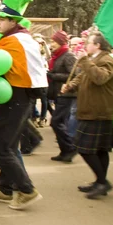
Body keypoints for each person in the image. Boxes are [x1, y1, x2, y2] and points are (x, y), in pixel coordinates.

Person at [0, 0, 47, 210]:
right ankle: (6, 189)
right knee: (9, 145)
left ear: (13, 21)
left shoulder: (11, 41)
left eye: (2, 19)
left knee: (1, 148)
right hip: (23, 96)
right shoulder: (24, 38)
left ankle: (27, 190)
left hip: (15, 96)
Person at [61, 32, 113, 199]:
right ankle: (100, 181)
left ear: (98, 45)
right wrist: (70, 85)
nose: (86, 45)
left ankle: (102, 182)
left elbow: (99, 78)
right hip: (91, 110)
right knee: (100, 150)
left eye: (89, 42)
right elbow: (83, 76)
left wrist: (84, 60)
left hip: (98, 112)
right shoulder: (94, 59)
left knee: (85, 148)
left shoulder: (107, 60)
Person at [47, 30, 78, 162]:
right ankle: (65, 151)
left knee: (56, 122)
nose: (51, 44)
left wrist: (53, 75)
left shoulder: (68, 56)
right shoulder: (57, 56)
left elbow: (74, 75)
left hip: (67, 93)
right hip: (59, 93)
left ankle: (70, 147)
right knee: (59, 122)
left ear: (60, 42)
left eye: (54, 41)